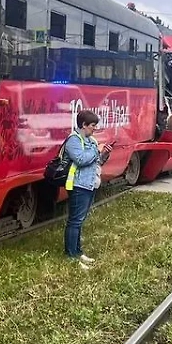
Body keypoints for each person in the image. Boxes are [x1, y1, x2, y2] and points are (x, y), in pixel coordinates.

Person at [62, 109, 112, 267]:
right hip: (78, 184)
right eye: (92, 125)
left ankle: (77, 252)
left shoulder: (92, 140)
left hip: (90, 184)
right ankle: (71, 254)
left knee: (79, 220)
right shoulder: (74, 140)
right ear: (83, 125)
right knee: (75, 221)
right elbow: (81, 159)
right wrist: (97, 150)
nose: (94, 128)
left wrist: (104, 154)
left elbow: (97, 162)